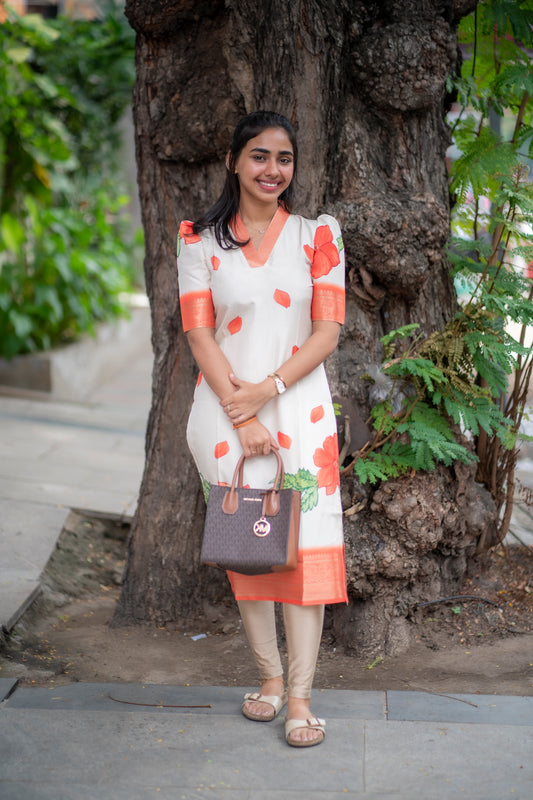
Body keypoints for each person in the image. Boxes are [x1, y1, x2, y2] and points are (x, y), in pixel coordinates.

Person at [177, 110, 347, 747]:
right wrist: (243, 412)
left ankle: (301, 697)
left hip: (301, 411)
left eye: (284, 158)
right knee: (247, 548)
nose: (272, 170)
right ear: (233, 160)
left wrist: (268, 391)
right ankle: (269, 680)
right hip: (224, 415)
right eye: (259, 156)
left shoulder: (318, 235)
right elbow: (199, 334)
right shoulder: (198, 242)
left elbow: (327, 332)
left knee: (307, 550)